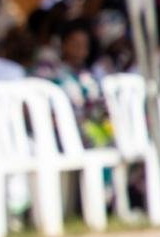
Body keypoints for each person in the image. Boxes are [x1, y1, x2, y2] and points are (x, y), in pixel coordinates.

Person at [36, 19, 113, 148]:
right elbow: (39, 106)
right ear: (63, 44)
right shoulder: (48, 69)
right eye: (75, 43)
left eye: (84, 45)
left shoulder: (88, 77)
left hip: (89, 135)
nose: (80, 49)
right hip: (57, 136)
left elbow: (100, 109)